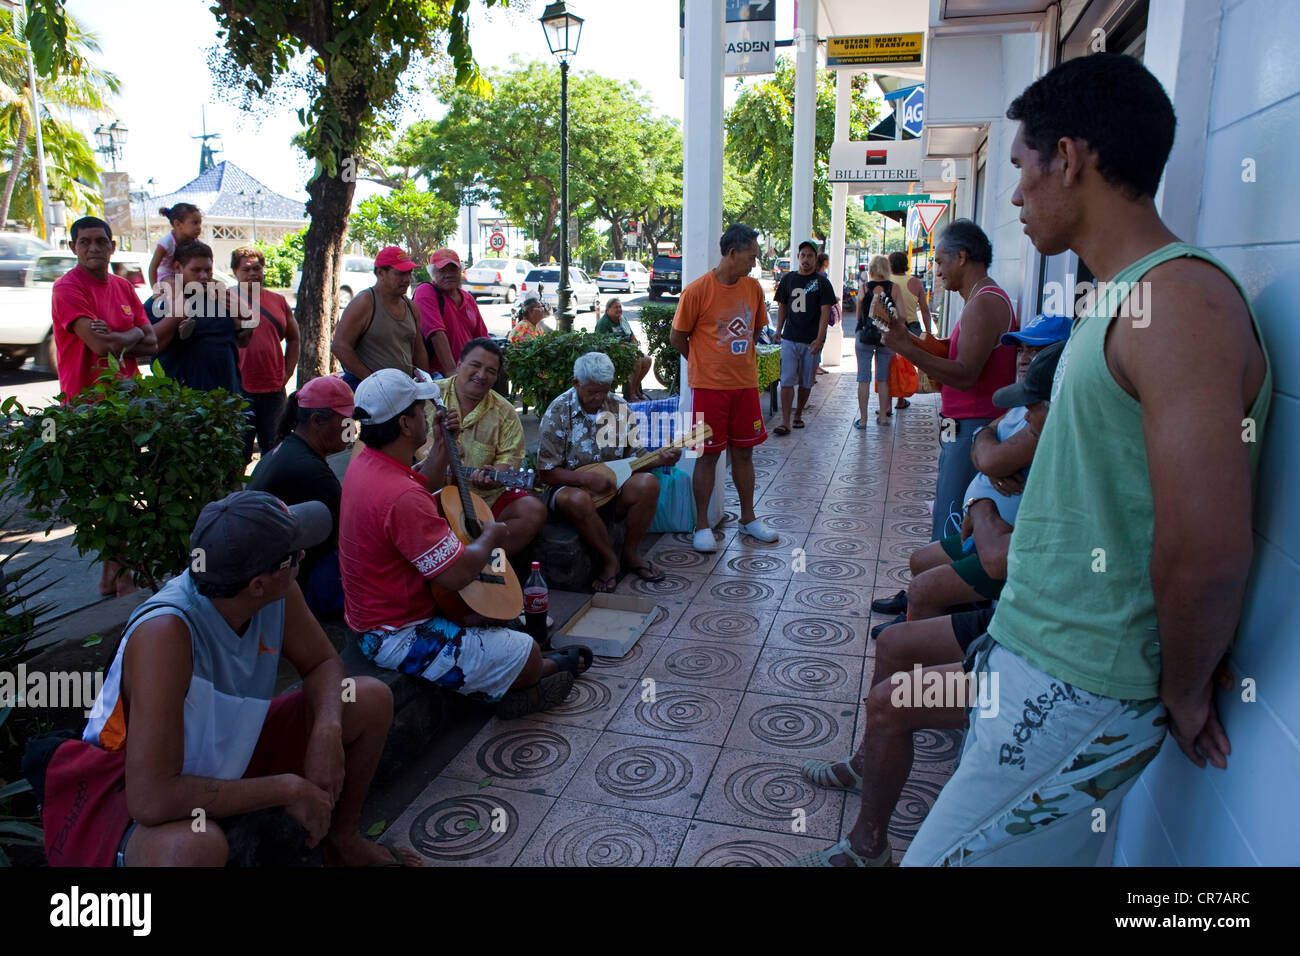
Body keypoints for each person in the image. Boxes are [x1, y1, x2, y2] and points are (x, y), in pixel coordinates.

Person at [900, 54, 1272, 868]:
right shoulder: (1129, 297)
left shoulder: (1177, 304)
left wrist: (1181, 686)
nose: (1016, 195)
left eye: (1023, 170)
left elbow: (1207, 548)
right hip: (1045, 658)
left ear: (1068, 158)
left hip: (1083, 683)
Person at [792, 344, 1063, 867]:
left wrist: (981, 500)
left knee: (893, 699)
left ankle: (869, 846)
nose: (1026, 419)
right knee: (894, 642)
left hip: (1038, 649)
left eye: (1036, 408)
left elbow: (997, 557)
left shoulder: (1074, 466)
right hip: (1014, 619)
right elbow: (986, 442)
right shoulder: (1044, 438)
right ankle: (867, 763)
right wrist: (986, 477)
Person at [59, 490, 415, 867]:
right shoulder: (165, 634)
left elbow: (322, 663)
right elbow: (151, 798)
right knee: (194, 847)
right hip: (132, 794)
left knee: (368, 700)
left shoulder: (276, 591)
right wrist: (287, 789)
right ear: (258, 584)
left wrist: (326, 730)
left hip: (227, 751)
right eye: (293, 556)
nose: (303, 557)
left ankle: (342, 841)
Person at [338, 368, 590, 717]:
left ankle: (510, 676)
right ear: (405, 425)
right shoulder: (399, 495)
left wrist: (442, 443)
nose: (426, 414)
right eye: (418, 409)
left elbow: (425, 482)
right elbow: (456, 575)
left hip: (375, 616)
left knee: (500, 621)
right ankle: (535, 675)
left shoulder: (368, 463)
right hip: (395, 634)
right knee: (526, 652)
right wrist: (492, 534)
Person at [871, 317, 1071, 634]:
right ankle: (922, 615)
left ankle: (919, 632)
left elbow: (990, 459)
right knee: (919, 560)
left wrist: (987, 456)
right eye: (1021, 349)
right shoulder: (1025, 402)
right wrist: (983, 447)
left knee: (925, 586)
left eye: (1036, 351)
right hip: (982, 528)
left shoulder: (1048, 412)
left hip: (1003, 542)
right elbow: (984, 437)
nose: (1024, 358)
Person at [881, 220, 1019, 540]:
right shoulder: (982, 297)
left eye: (941, 261)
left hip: (973, 427)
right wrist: (909, 339)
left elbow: (965, 374)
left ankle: (939, 586)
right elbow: (955, 355)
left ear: (962, 257)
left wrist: (907, 349)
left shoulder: (984, 302)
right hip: (967, 425)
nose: (938, 272)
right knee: (950, 509)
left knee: (950, 520)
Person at [50, 216, 158, 597]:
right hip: (89, 406)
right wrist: (130, 336)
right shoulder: (67, 289)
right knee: (108, 493)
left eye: (100, 241)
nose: (93, 248)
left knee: (126, 489)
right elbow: (101, 348)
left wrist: (120, 335)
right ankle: (119, 576)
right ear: (73, 248)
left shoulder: (124, 287)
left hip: (129, 403)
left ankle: (115, 575)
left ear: (113, 246)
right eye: (84, 242)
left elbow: (153, 343)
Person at [669, 223, 778, 552]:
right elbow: (677, 337)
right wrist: (703, 364)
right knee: (706, 456)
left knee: (745, 454)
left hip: (745, 386)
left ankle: (749, 518)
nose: (754, 264)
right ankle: (701, 525)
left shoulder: (753, 289)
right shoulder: (697, 291)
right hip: (707, 390)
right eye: (751, 257)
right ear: (732, 253)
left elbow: (756, 330)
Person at [537, 352, 681, 592]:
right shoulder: (558, 411)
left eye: (604, 390)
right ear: (576, 383)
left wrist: (659, 459)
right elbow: (546, 473)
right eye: (592, 391)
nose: (599, 397)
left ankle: (631, 555)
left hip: (613, 488)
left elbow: (635, 458)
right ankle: (609, 561)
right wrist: (584, 478)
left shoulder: (619, 406)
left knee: (648, 484)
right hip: (569, 490)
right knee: (578, 498)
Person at [248, 376, 356, 618]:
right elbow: (347, 537)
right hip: (292, 586)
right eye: (347, 421)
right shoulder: (312, 473)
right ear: (317, 421)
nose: (352, 428)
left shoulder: (286, 448)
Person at [427, 338, 545, 557]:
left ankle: (481, 567)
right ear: (459, 363)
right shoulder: (428, 396)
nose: (481, 375)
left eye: (491, 371)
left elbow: (508, 461)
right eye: (475, 365)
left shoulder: (506, 412)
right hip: (427, 497)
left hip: (481, 500)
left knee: (533, 511)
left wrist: (494, 476)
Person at [145, 239, 245, 395]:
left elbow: (243, 341)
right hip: (182, 403)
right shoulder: (161, 302)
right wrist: (175, 318)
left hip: (227, 401)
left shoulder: (222, 298)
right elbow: (148, 344)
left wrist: (245, 322)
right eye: (196, 270)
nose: (204, 276)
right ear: (178, 268)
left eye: (208, 270)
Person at [232, 246, 300, 458]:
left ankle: (270, 492)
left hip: (274, 391)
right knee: (237, 453)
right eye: (246, 269)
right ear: (235, 272)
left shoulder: (278, 301)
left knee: (274, 453)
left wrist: (286, 374)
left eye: (257, 268)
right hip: (239, 391)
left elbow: (294, 338)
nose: (253, 273)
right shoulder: (224, 300)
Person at [330, 246, 430, 389]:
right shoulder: (365, 302)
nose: (407, 279)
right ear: (380, 273)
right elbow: (340, 347)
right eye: (400, 273)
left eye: (409, 273)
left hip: (402, 390)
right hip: (366, 390)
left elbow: (419, 350)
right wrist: (373, 381)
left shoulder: (411, 307)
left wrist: (426, 385)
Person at [772, 240, 834, 435]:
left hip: (811, 340)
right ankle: (785, 421)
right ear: (798, 257)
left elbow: (825, 312)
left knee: (806, 381)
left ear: (816, 259)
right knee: (787, 379)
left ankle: (798, 413)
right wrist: (778, 330)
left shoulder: (822, 282)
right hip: (789, 337)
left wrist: (820, 338)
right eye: (803, 255)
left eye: (810, 255)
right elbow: (782, 305)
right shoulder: (788, 279)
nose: (806, 259)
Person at [413, 248, 487, 377]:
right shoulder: (426, 291)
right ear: (432, 273)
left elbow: (481, 338)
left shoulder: (468, 298)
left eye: (453, 269)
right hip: (440, 374)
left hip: (467, 373)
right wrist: (452, 374)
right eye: (442, 271)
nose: (448, 275)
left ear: (460, 271)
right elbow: (436, 334)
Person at [855, 255, 905, 428]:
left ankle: (863, 420)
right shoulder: (895, 288)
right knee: (883, 378)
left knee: (863, 378)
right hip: (886, 338)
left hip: (864, 336)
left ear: (871, 270)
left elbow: (858, 316)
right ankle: (883, 417)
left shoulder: (863, 288)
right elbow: (903, 317)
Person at [887, 250, 932, 409]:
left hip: (892, 326)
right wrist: (929, 333)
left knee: (890, 363)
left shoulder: (886, 281)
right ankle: (901, 399)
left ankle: (887, 403)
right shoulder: (916, 283)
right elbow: (925, 310)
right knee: (906, 364)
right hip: (912, 328)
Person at [594, 297, 653, 402]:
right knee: (636, 360)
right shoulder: (603, 323)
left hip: (628, 351)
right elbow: (602, 344)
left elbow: (632, 336)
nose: (619, 309)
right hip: (613, 354)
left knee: (648, 360)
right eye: (615, 307)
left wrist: (634, 344)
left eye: (620, 307)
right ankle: (630, 394)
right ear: (608, 310)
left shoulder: (622, 319)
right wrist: (626, 348)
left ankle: (636, 389)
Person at [148, 203, 203, 290]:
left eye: (200, 223)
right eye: (195, 223)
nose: (199, 227)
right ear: (178, 224)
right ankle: (182, 303)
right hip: (166, 276)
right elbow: (153, 267)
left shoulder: (197, 243)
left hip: (184, 276)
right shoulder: (166, 243)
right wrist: (155, 290)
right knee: (173, 284)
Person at [813, 251, 839, 376]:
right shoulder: (822, 276)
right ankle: (815, 366)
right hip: (820, 313)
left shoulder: (819, 275)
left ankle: (817, 365)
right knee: (820, 338)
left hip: (816, 312)